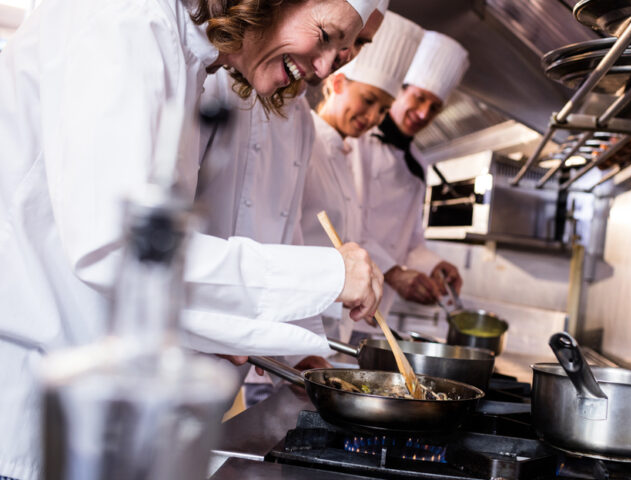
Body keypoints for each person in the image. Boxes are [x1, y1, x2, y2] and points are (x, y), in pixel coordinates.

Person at [0, 0, 383, 477]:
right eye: (325, 35)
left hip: (99, 413)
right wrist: (328, 274)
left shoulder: (184, 50)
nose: (325, 67)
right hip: (33, 412)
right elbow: (116, 246)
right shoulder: (126, 18)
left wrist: (219, 325)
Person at [196, 0, 390, 404]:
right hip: (179, 342)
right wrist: (329, 277)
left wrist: (305, 355)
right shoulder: (216, 76)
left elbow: (287, 238)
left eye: (357, 45)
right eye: (332, 38)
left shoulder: (300, 119)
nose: (338, 60)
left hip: (227, 360)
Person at [299, 11, 424, 341]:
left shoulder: (345, 154)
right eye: (368, 100)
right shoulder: (303, 138)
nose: (373, 117)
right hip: (291, 330)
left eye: (383, 109)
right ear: (336, 83)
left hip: (324, 334)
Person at [351, 31, 471, 319]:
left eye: (434, 108)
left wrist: (434, 265)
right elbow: (346, 224)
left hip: (377, 308)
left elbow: (410, 242)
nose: (423, 114)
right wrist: (392, 272)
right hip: (339, 299)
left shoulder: (418, 164)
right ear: (399, 92)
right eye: (419, 98)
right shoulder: (356, 142)